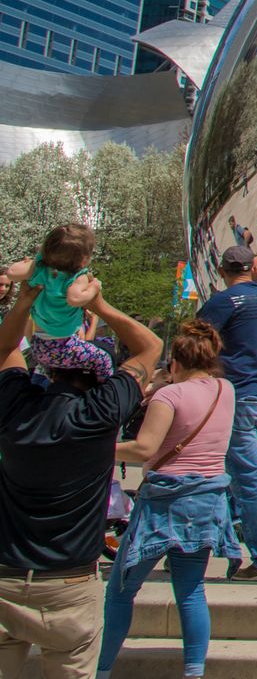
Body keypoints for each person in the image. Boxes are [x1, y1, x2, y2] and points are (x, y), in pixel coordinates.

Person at [0, 273, 160, 678]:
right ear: (99, 381)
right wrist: (98, 306)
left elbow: (4, 351)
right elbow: (150, 347)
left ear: (48, 372)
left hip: (5, 576)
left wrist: (25, 301)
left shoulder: (15, 406)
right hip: (69, 585)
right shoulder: (102, 412)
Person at [96, 320, 243, 678]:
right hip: (206, 499)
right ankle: (194, 672)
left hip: (164, 502)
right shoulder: (225, 389)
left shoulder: (168, 396)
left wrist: (96, 448)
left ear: (174, 362)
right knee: (191, 592)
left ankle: (100, 670)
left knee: (121, 590)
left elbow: (144, 447)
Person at [196, 245, 257, 579]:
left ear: (222, 271)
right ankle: (199, 544)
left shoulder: (222, 302)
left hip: (236, 395)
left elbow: (193, 343)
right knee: (231, 473)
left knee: (246, 477)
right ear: (251, 270)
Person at [4, 224, 104, 362]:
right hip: (68, 342)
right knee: (105, 359)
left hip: (38, 341)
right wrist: (94, 287)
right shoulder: (77, 277)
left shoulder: (38, 268)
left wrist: (30, 262)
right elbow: (75, 299)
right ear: (84, 258)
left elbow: (12, 273)